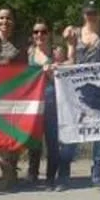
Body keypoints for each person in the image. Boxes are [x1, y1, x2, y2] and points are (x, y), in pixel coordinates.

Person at [63, 0, 100, 187]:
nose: (91, 16)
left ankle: (98, 170)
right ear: (83, 14)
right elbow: (70, 59)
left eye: (94, 12)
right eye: (88, 13)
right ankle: (64, 171)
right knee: (73, 128)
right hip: (77, 89)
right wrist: (58, 66)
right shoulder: (74, 33)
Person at [0, 5, 28, 191]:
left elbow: (27, 65)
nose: (5, 21)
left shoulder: (21, 41)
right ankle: (6, 174)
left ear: (14, 20)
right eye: (1, 18)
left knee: (13, 135)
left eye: (8, 18)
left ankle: (12, 173)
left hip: (15, 93)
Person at [27, 18, 69, 190]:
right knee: (34, 140)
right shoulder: (29, 53)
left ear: (49, 34)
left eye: (43, 32)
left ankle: (51, 177)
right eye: (36, 32)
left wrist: (53, 69)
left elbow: (65, 73)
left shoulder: (56, 53)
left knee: (52, 141)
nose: (40, 35)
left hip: (53, 101)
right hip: (34, 103)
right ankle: (32, 174)